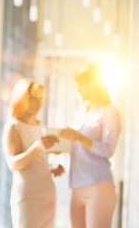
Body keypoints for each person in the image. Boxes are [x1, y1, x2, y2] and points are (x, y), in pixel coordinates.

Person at [59, 64, 121, 228]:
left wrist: (79, 137)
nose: (78, 89)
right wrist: (60, 146)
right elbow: (76, 148)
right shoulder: (81, 113)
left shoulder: (109, 112)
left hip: (98, 185)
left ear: (94, 85)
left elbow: (108, 150)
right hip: (76, 186)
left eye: (82, 84)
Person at [2, 78, 64, 228]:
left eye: (40, 99)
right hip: (28, 196)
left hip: (47, 194)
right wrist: (37, 147)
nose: (38, 104)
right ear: (22, 99)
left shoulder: (41, 126)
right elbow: (14, 164)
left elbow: (36, 163)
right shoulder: (13, 126)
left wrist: (51, 169)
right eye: (33, 99)